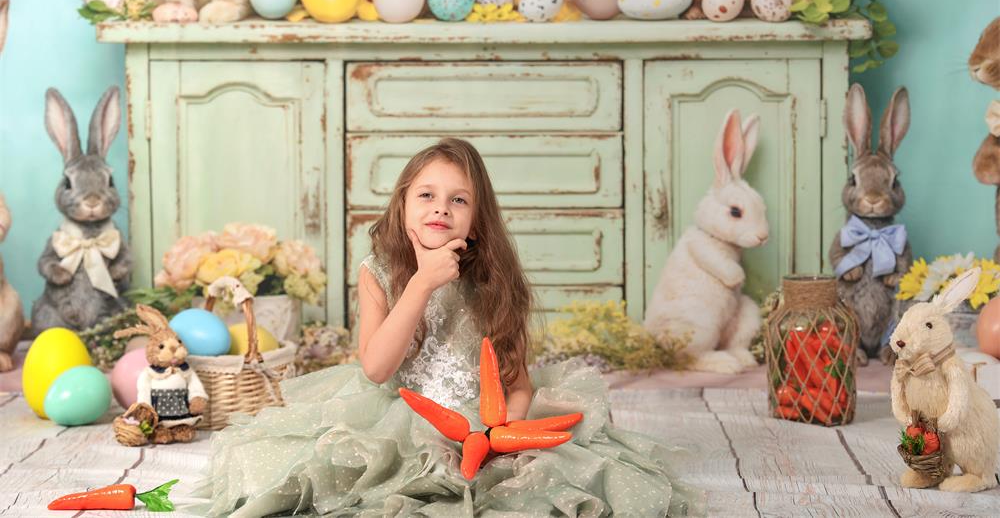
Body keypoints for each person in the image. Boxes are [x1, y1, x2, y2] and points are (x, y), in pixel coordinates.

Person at [196, 138, 703, 517]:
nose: (441, 207)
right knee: (367, 479)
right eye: (426, 195)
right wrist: (421, 284)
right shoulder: (378, 273)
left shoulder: (495, 282)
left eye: (459, 200)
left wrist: (503, 432)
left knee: (544, 478)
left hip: (483, 421)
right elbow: (374, 369)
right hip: (401, 416)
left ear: (477, 222)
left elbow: (519, 381)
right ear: (402, 207)